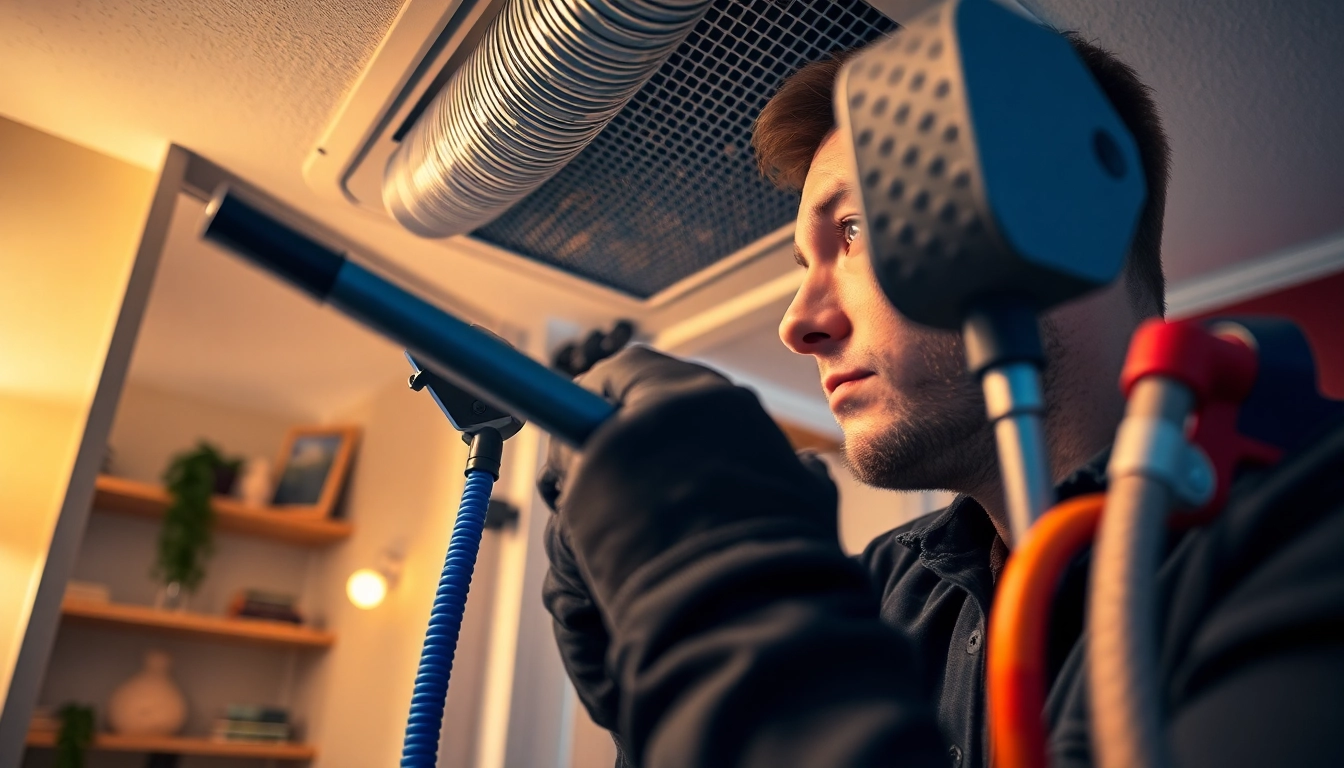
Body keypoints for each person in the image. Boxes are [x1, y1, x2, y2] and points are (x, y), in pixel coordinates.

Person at [538, 27, 1344, 768]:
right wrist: (627, 648)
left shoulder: (1313, 521)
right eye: (802, 263)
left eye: (851, 232)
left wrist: (711, 575)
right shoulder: (890, 585)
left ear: (1055, 224)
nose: (797, 324)